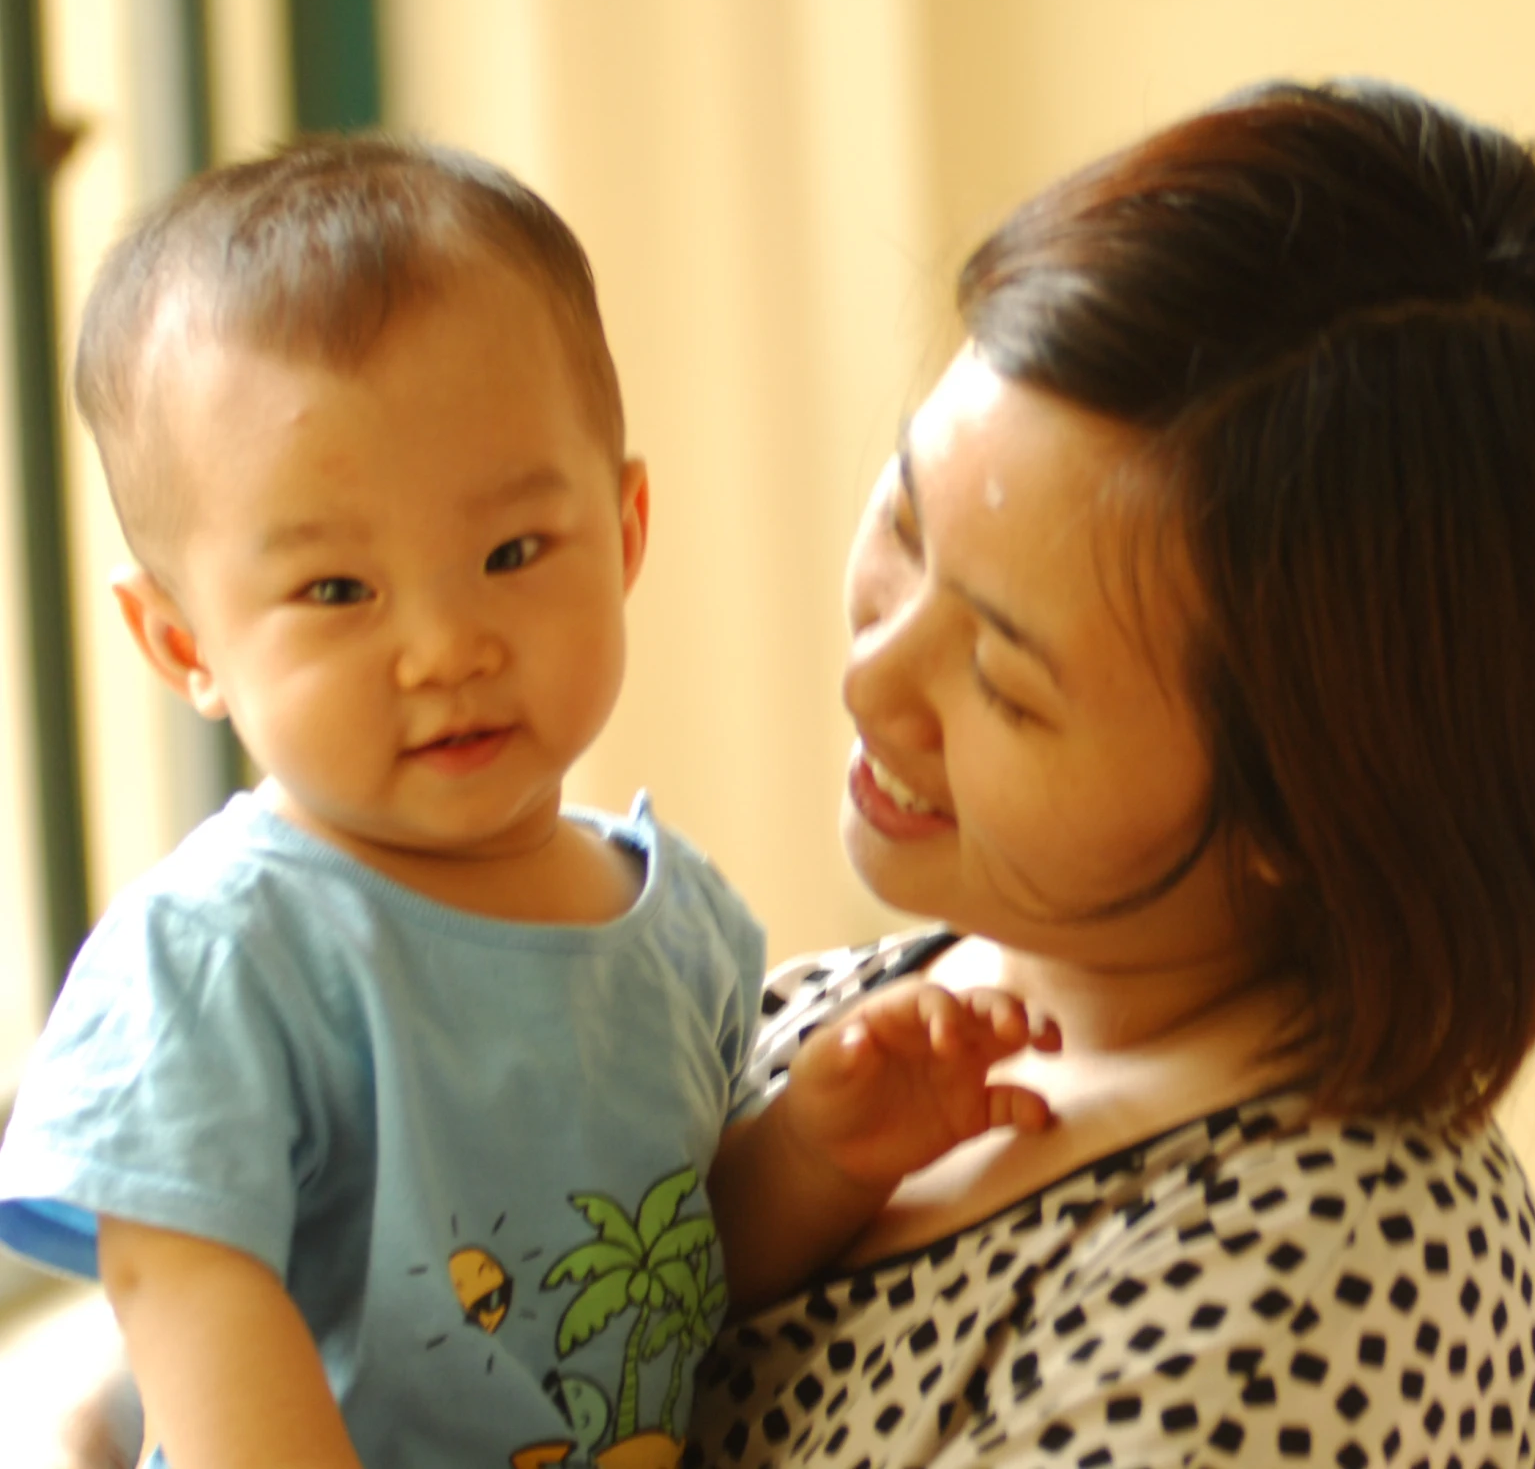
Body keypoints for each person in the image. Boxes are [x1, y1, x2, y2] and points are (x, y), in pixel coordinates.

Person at [682, 77, 1535, 1468]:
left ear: (1307, 812)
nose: (873, 680)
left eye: (1008, 685)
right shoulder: (877, 1014)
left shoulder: (1335, 1266)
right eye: (903, 524)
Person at [0, 140, 1055, 1469]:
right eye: (337, 592)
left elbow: (655, 1284)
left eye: (510, 553)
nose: (445, 646)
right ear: (182, 644)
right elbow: (192, 1320)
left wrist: (822, 1155)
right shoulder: (215, 963)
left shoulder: (679, 929)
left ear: (620, 535)